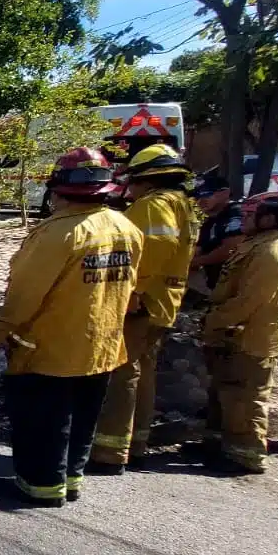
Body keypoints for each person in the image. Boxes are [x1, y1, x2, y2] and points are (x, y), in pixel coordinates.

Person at [0, 148, 143, 506]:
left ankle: (40, 487)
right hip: (101, 346)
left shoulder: (57, 234)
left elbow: (25, 293)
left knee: (44, 422)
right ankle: (71, 481)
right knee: (84, 418)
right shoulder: (127, 228)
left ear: (58, 190)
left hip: (51, 348)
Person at [90, 143, 196, 473]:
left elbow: (157, 247)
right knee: (142, 371)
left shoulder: (154, 205)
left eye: (133, 180)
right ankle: (136, 443)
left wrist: (135, 290)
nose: (129, 187)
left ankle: (110, 451)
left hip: (143, 303)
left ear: (148, 181)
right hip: (163, 302)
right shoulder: (182, 204)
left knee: (122, 372)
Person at [200, 190, 278, 474]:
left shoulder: (270, 252)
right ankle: (219, 445)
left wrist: (215, 320)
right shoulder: (259, 243)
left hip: (252, 335)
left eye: (248, 215)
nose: (241, 220)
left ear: (269, 219)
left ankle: (246, 456)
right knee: (227, 394)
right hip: (239, 332)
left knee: (246, 399)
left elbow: (250, 301)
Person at [191, 169, 244, 292]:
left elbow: (231, 249)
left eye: (206, 195)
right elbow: (199, 248)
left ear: (224, 193)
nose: (200, 201)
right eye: (197, 197)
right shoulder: (209, 219)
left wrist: (194, 262)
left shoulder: (236, 212)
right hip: (213, 280)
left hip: (233, 283)